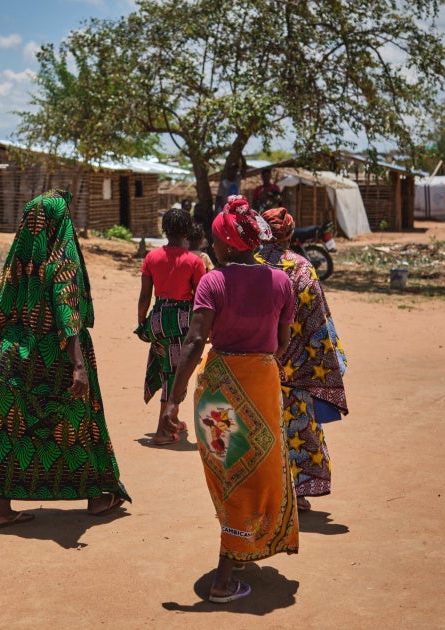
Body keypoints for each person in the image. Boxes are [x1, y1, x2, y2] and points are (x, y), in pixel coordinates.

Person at [160, 195, 298, 604]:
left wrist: (173, 399)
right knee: (254, 472)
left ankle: (228, 565)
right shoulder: (281, 282)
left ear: (227, 243)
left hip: (218, 391)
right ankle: (229, 567)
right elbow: (283, 343)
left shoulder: (214, 281)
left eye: (216, 239)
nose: (212, 245)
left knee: (230, 475)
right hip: (261, 386)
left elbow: (194, 342)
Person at [0, 190, 131, 530]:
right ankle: (97, 498)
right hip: (58, 359)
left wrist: (8, 347)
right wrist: (77, 365)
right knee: (80, 427)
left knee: (12, 433)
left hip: (12, 362)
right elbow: (67, 310)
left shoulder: (17, 260)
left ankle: (2, 508)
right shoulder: (62, 258)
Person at [258, 207, 350, 511]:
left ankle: (263, 492)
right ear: (290, 234)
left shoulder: (248, 265)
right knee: (297, 428)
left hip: (256, 365)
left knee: (259, 427)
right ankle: (295, 493)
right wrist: (326, 363)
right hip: (296, 370)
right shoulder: (302, 269)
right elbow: (317, 320)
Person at [136, 208, 206, 445]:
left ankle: (173, 419)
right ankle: (162, 431)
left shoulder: (151, 258)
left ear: (164, 229)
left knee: (168, 368)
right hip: (180, 322)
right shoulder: (194, 261)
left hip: (157, 321)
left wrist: (142, 322)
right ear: (187, 231)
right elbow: (200, 299)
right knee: (173, 374)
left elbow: (145, 296)